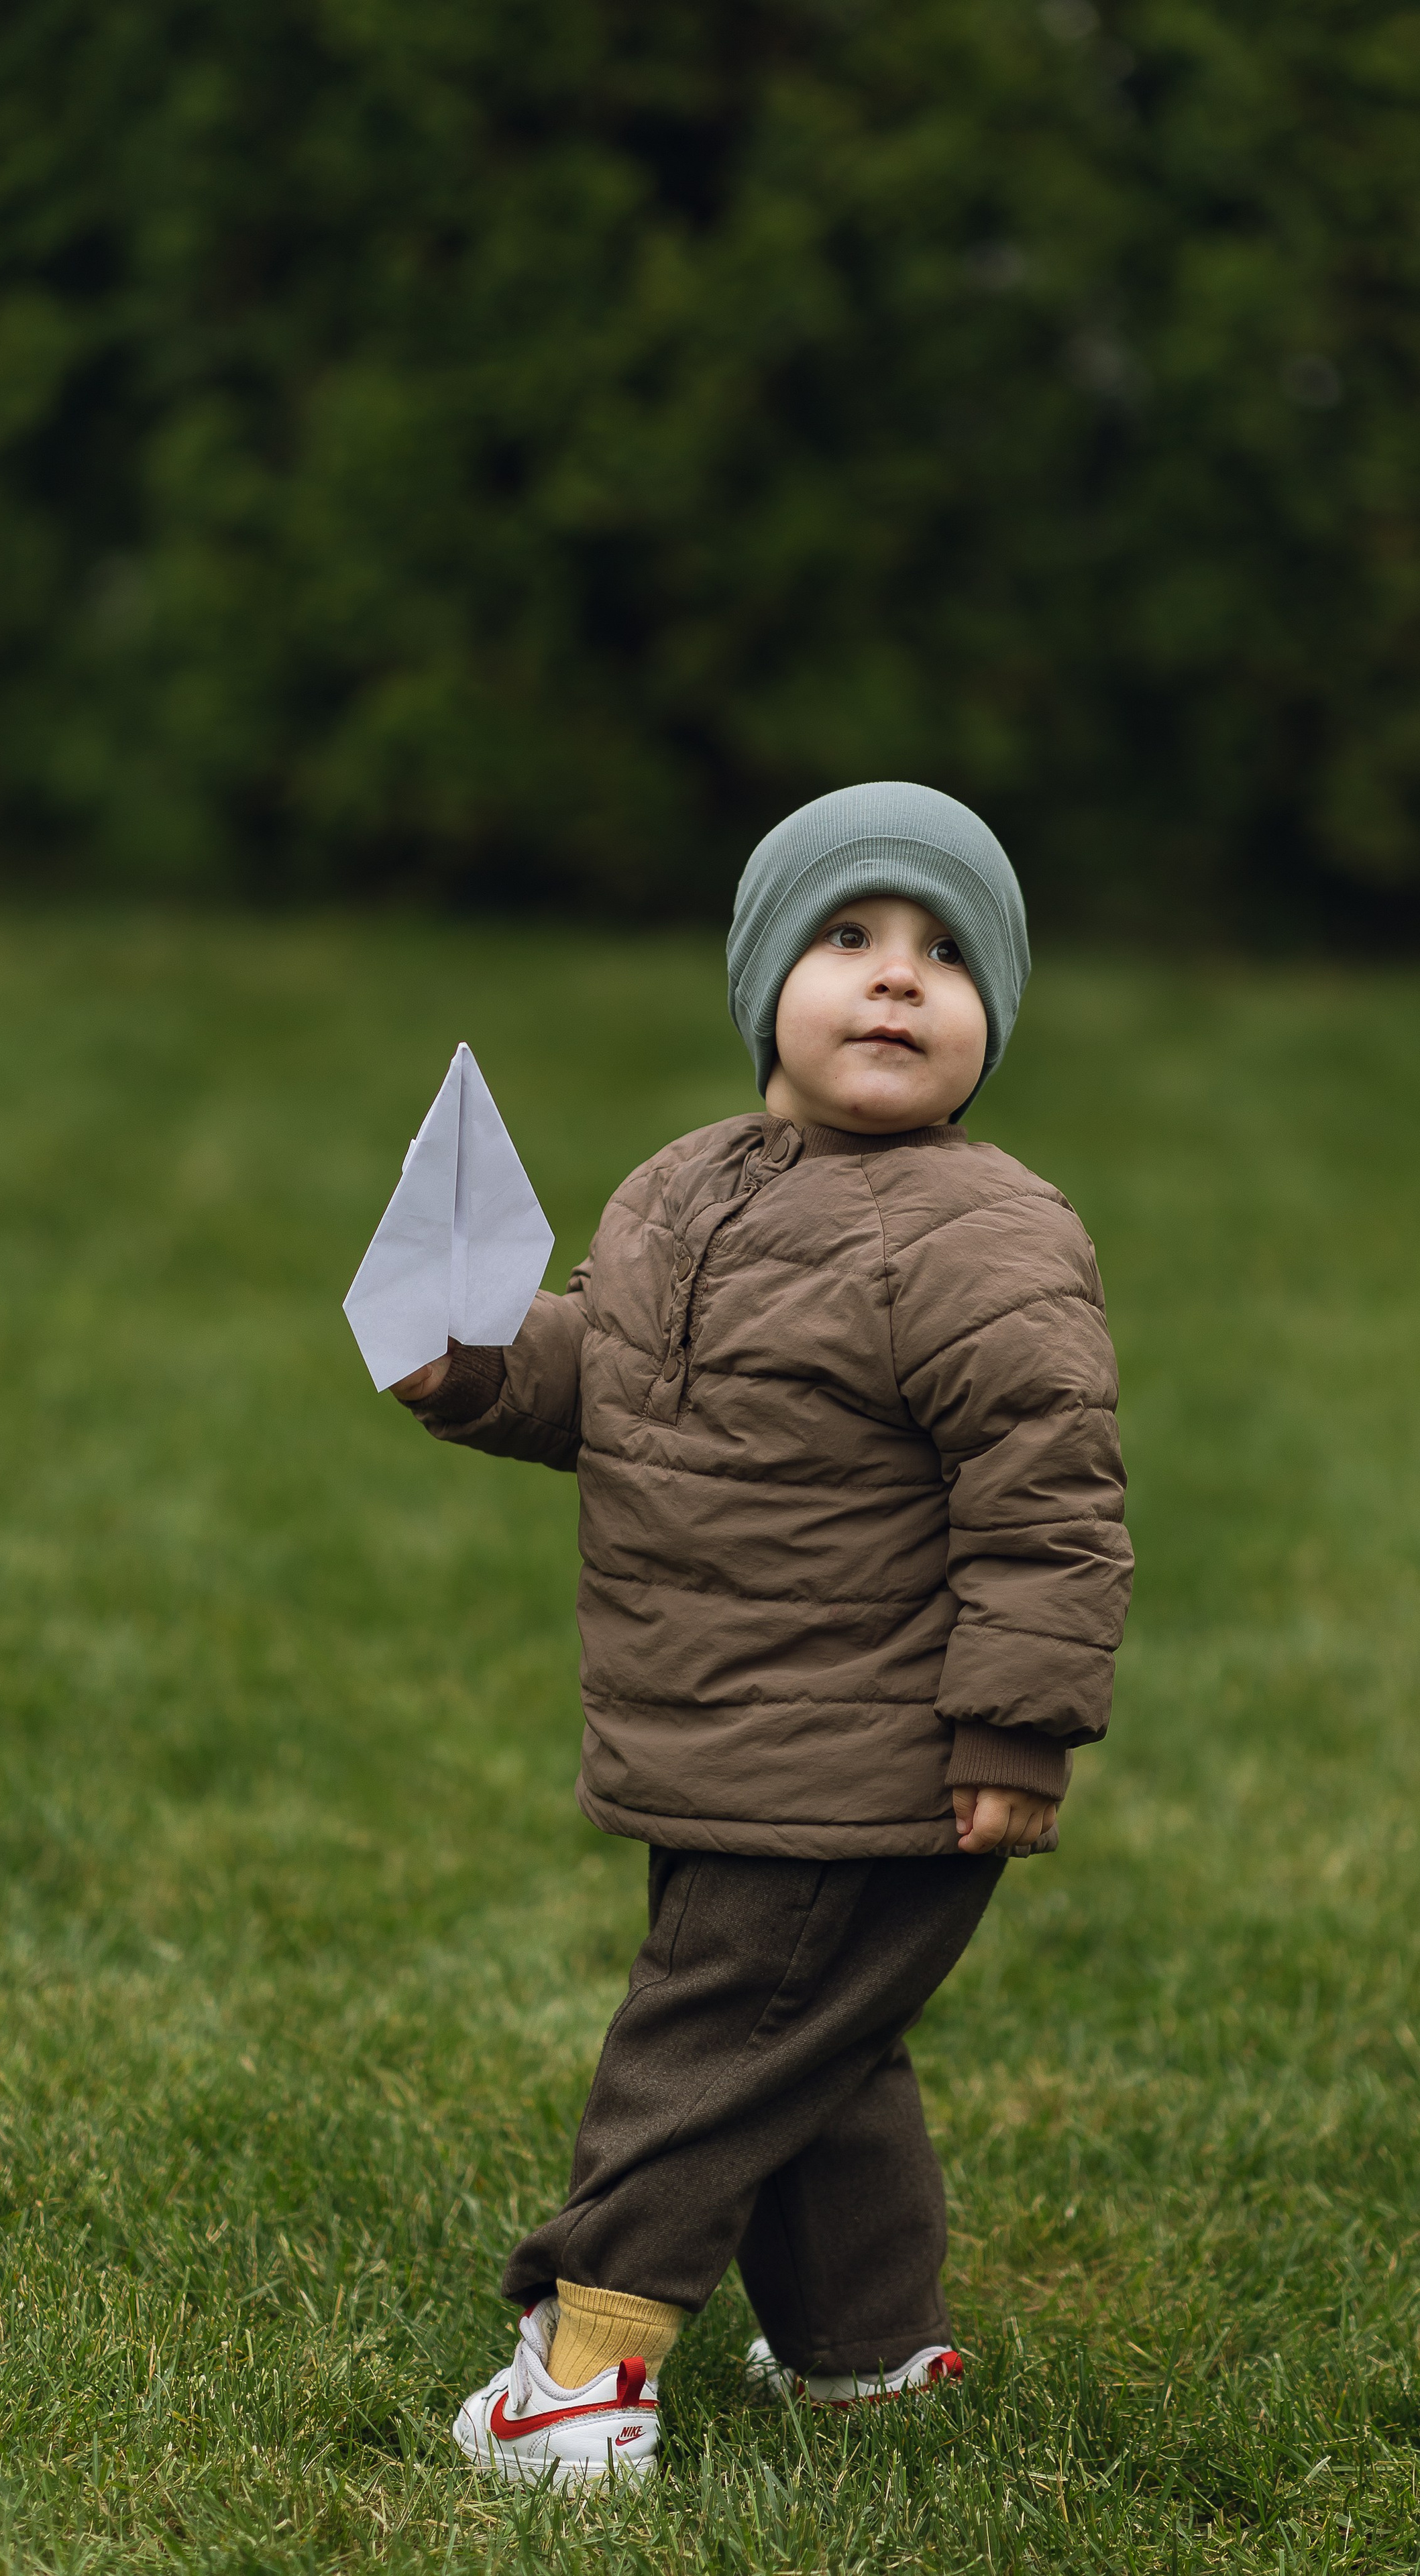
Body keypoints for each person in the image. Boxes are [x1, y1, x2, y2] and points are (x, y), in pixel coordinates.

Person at [390, 782, 1133, 2484]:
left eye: (945, 954)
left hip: (865, 1754)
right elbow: (622, 1380)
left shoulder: (985, 1237)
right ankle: (862, 2351)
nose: (896, 979)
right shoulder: (682, 1186)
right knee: (813, 2046)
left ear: (990, 1019)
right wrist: (481, 1368)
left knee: (701, 2056)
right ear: (759, 983)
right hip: (728, 1738)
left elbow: (1048, 1505)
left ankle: (583, 2369)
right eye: (847, 936)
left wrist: (1012, 1731)